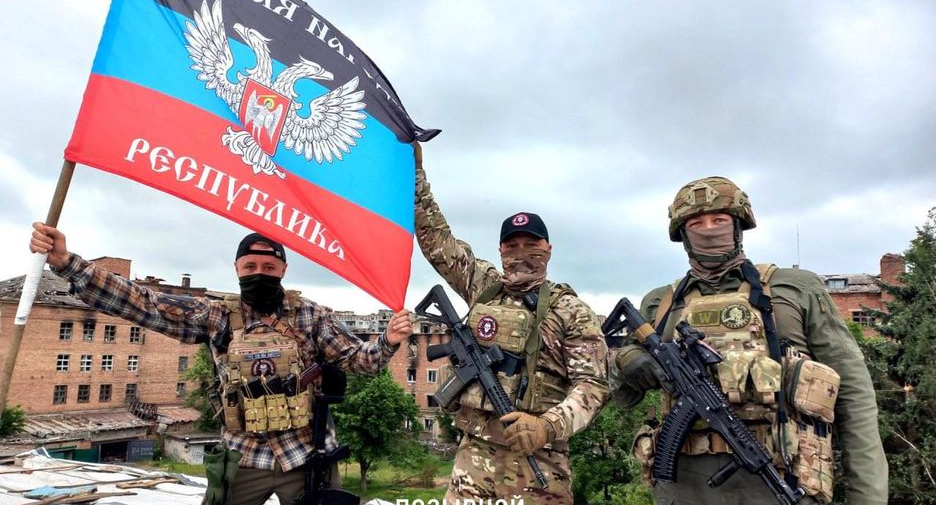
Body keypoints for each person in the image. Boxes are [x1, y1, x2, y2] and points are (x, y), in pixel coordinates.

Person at [29, 223, 413, 505]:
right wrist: (68, 264)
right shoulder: (215, 315)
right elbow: (144, 304)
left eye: (269, 267)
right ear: (236, 269)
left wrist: (388, 340)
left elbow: (359, 360)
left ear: (283, 270)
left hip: (307, 456)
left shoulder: (312, 315)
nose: (259, 274)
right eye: (250, 267)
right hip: (243, 456)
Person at [610, 177, 888, 504]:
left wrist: (867, 497)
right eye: (696, 223)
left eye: (719, 220)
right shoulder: (661, 303)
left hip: (782, 479)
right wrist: (628, 362)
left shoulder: (795, 289)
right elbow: (623, 394)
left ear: (739, 225)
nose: (708, 230)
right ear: (683, 234)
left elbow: (854, 396)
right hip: (684, 487)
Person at [413, 144, 610, 504]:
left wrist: (547, 425)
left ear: (548, 249)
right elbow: (437, 241)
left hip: (540, 462)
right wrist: (415, 178)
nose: (521, 252)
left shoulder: (571, 310)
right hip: (472, 459)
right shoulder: (483, 287)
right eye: (512, 245)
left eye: (531, 243)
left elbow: (593, 386)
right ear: (501, 251)